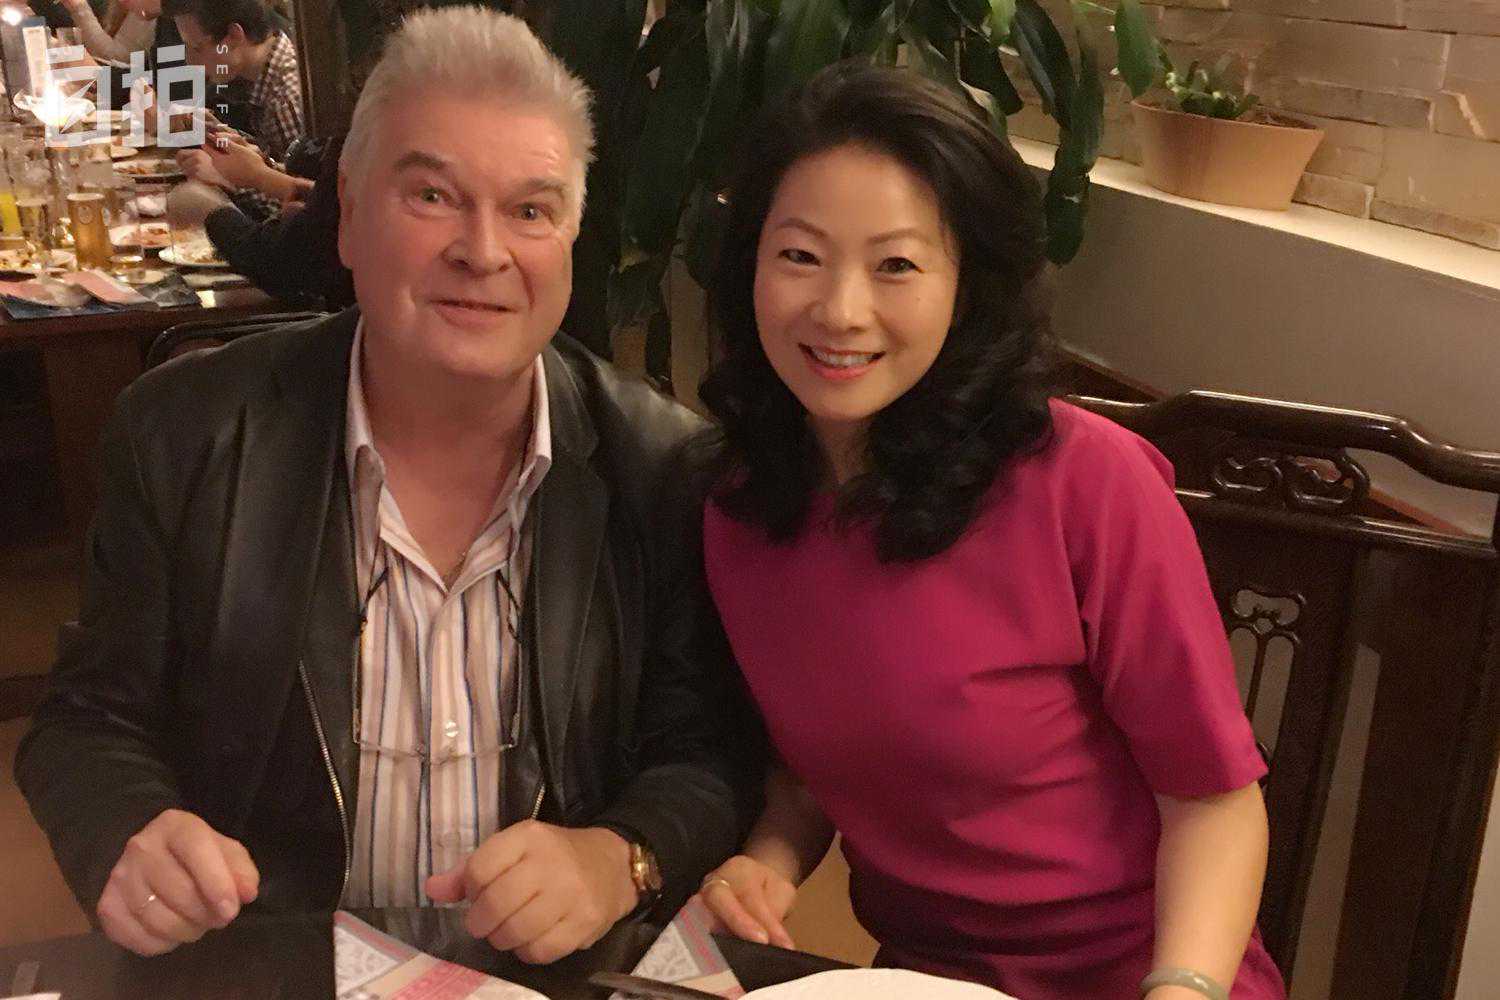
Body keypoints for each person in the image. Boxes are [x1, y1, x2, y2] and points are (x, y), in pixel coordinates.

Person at [17, 7, 759, 964]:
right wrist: (128, 829)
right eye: (433, 196)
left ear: (571, 237)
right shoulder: (185, 434)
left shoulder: (661, 466)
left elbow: (709, 752)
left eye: (531, 210)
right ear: (349, 216)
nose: (483, 251)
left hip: (550, 980)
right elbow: (88, 721)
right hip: (275, 967)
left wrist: (624, 855)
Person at [694, 63, 1287, 1000]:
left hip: (1146, 976)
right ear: (749, 267)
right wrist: (766, 860)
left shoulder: (1085, 483)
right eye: (800, 256)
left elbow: (1212, 800)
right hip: (923, 983)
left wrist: (1181, 987)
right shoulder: (741, 509)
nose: (840, 310)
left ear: (967, 283)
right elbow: (808, 774)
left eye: (896, 265)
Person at [167, 133, 353, 308]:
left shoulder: (352, 133)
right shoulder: (350, 135)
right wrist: (261, 174)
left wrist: (210, 209)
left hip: (340, 312)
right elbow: (329, 204)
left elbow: (284, 261)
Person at [161, 0, 301, 163]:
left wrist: (218, 174)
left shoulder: (283, 99)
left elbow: (303, 178)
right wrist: (223, 132)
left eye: (197, 48)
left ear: (234, 36)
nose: (190, 61)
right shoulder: (267, 75)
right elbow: (278, 158)